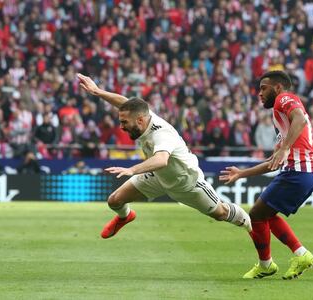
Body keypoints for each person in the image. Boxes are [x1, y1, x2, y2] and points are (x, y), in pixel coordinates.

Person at [77, 73, 252, 241]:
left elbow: (161, 160)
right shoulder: (142, 116)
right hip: (158, 176)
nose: (121, 127)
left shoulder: (161, 134)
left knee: (220, 213)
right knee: (115, 201)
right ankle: (126, 216)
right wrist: (97, 91)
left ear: (139, 120)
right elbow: (125, 103)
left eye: (124, 122)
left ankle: (251, 226)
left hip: (186, 182)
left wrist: (132, 170)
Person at [219, 71, 313, 280]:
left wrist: (285, 148)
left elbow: (300, 118)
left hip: (299, 171)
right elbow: (272, 163)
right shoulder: (283, 124)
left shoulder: (285, 99)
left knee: (256, 214)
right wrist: (242, 174)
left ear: (278, 88)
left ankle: (272, 263)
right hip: (305, 172)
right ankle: (296, 255)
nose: (259, 93)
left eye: (264, 88)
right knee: (263, 213)